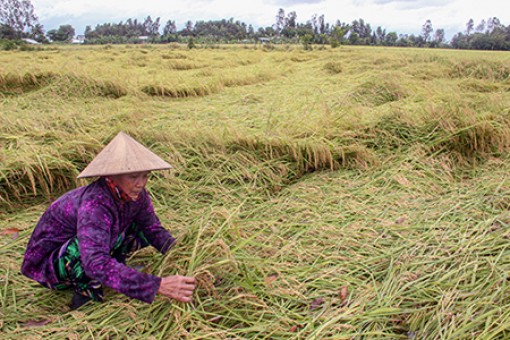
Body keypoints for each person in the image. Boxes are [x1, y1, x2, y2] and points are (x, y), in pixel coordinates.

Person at [21, 131, 196, 310]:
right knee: (85, 253)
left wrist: (183, 254)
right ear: (111, 176)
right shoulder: (95, 204)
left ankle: (117, 269)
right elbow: (94, 261)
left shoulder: (138, 196)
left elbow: (153, 229)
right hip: (52, 265)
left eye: (145, 176)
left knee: (142, 230)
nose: (141, 183)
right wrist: (156, 285)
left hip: (95, 246)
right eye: (134, 177)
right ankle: (85, 297)